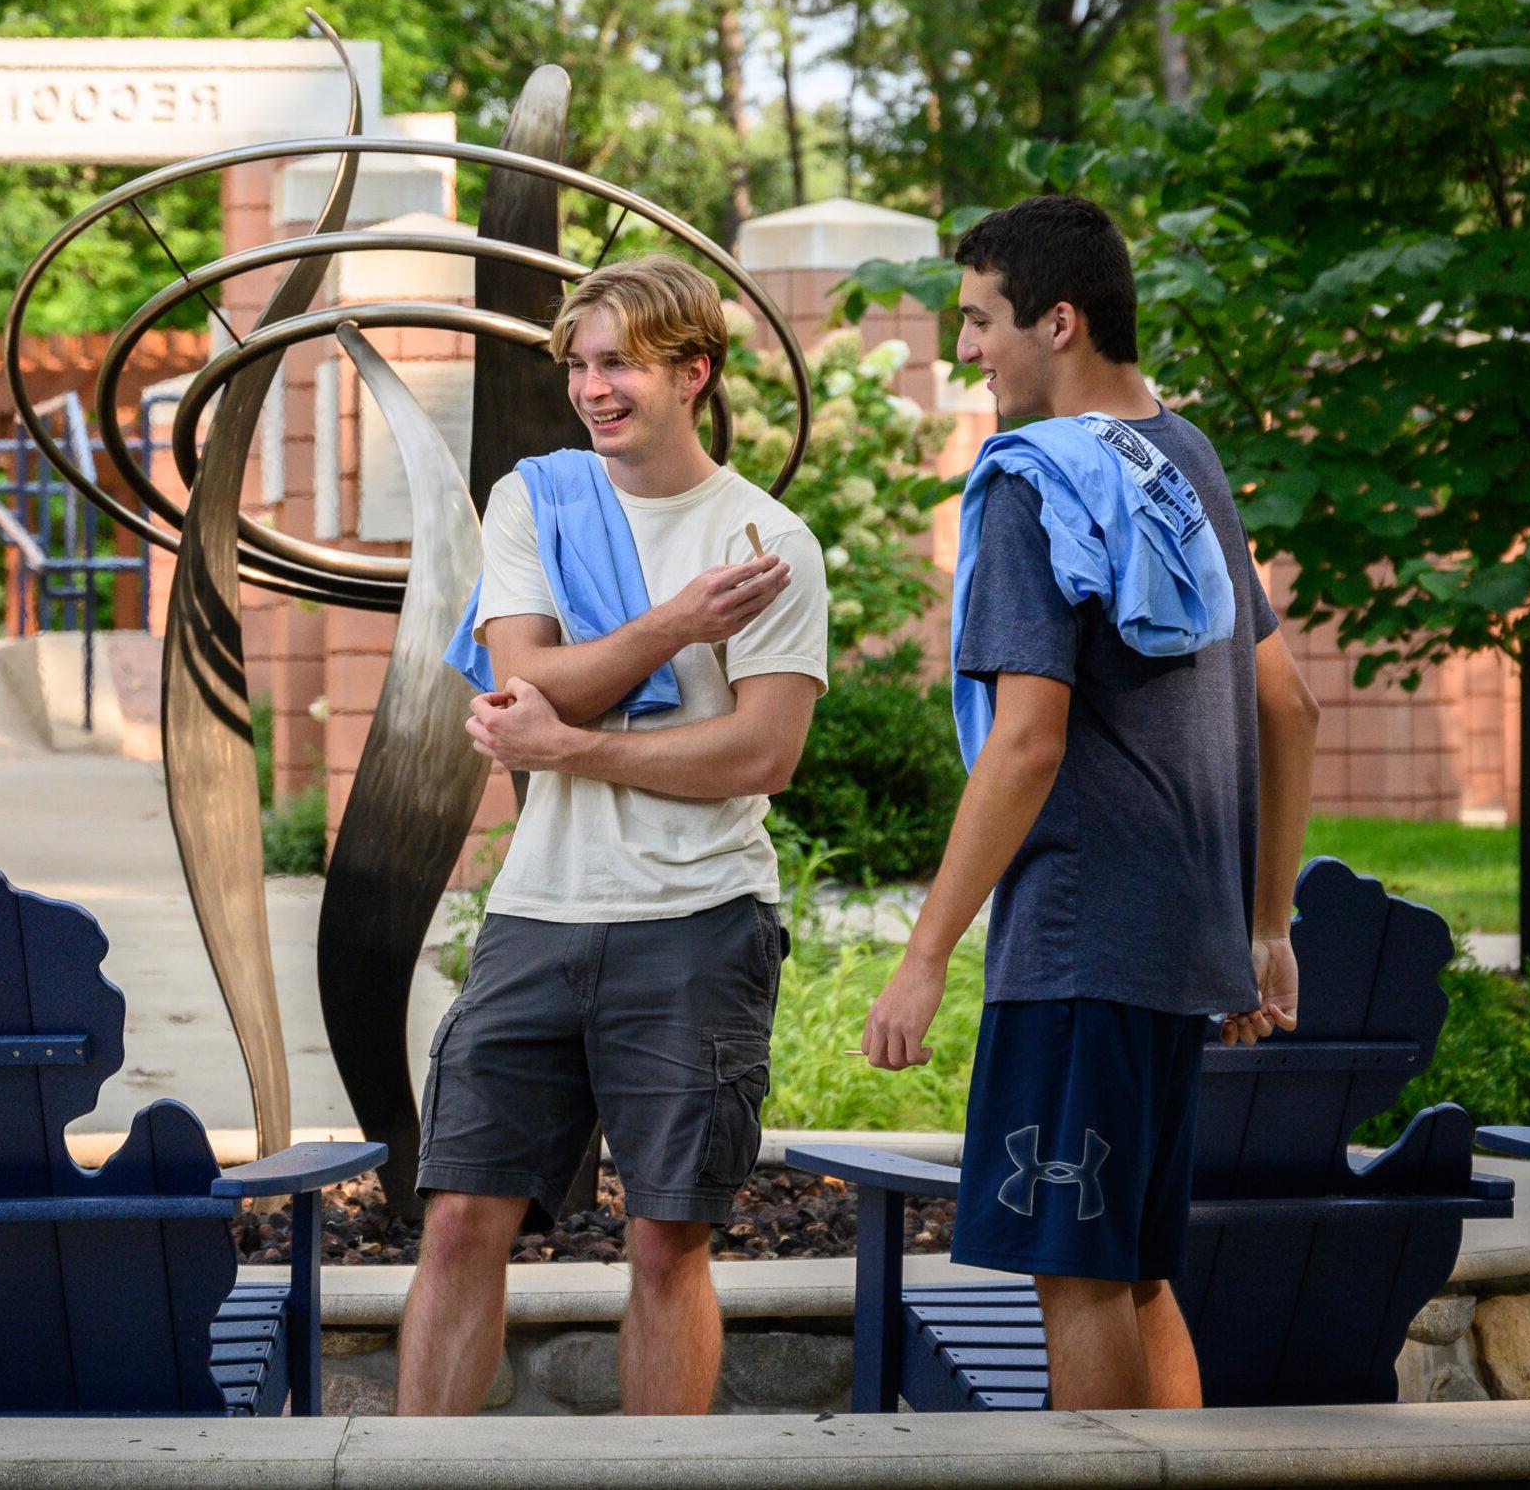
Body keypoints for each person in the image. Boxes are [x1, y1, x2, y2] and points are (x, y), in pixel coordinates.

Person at [861, 194, 1319, 1410]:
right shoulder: (1184, 454)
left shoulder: (1029, 484)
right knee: (1137, 1269)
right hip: (1179, 943)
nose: (966, 352)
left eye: (979, 322)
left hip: (1073, 940)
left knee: (1074, 1275)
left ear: (1057, 321)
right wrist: (1260, 925)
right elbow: (1290, 708)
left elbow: (1025, 744)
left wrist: (924, 952)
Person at [399, 253, 831, 1416]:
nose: (593, 389)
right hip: (539, 916)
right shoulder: (533, 499)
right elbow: (525, 675)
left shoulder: (766, 539)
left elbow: (759, 755)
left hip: (698, 922)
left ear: (693, 371)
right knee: (455, 1219)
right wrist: (677, 623)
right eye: (580, 365)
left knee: (665, 1241)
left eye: (620, 365)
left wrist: (575, 746)